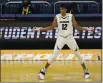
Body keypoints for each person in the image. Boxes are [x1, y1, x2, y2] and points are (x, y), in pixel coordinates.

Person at [33, 4, 94, 80]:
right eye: (60, 9)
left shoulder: (71, 16)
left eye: (62, 9)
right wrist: (40, 29)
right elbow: (52, 27)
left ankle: (86, 71)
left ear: (66, 10)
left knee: (78, 55)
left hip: (70, 38)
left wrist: (87, 29)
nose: (61, 10)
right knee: (54, 56)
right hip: (61, 38)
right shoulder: (57, 17)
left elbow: (77, 26)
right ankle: (43, 71)